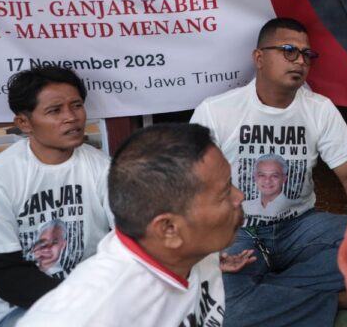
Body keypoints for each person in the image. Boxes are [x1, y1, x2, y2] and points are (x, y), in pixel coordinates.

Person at [190, 17, 347, 327]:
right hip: (236, 232)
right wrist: (206, 250)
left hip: (299, 228)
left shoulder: (319, 109)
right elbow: (189, 185)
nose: (300, 61)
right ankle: (334, 299)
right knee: (226, 309)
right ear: (259, 58)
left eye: (306, 54)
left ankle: (266, 295)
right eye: (289, 50)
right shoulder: (216, 111)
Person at [18, 123, 249, 326]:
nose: (240, 197)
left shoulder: (193, 249)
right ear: (168, 229)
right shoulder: (93, 312)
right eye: (224, 193)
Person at [0, 66, 111, 327]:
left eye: (76, 106)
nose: (71, 117)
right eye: (55, 110)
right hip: (17, 311)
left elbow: (131, 240)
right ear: (24, 123)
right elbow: (5, 273)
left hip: (93, 302)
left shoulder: (104, 169)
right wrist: (80, 305)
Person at [241, 154, 292, 219]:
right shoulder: (244, 207)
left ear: (284, 179)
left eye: (274, 176)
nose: (267, 181)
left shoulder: (296, 206)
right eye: (262, 175)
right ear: (254, 178)